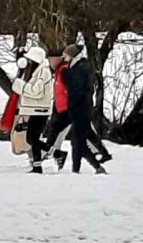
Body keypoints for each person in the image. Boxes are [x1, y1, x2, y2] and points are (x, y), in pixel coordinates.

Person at [43, 50, 113, 170]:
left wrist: (71, 103)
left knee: (75, 139)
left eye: (50, 59)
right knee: (83, 134)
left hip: (70, 109)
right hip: (69, 108)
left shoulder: (65, 71)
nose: (49, 62)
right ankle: (101, 156)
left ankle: (51, 153)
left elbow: (74, 89)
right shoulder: (61, 70)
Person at [60, 44, 107, 174]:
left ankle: (80, 169)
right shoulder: (79, 66)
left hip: (80, 110)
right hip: (81, 109)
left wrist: (66, 76)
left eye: (66, 54)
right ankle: (96, 164)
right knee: (79, 140)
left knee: (77, 142)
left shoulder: (79, 68)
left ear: (71, 55)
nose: (63, 56)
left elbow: (77, 89)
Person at [12, 47, 53, 173]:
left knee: (32, 139)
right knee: (31, 139)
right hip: (33, 110)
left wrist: (20, 85)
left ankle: (38, 165)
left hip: (39, 111)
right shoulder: (37, 71)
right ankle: (51, 155)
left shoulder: (43, 72)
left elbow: (36, 91)